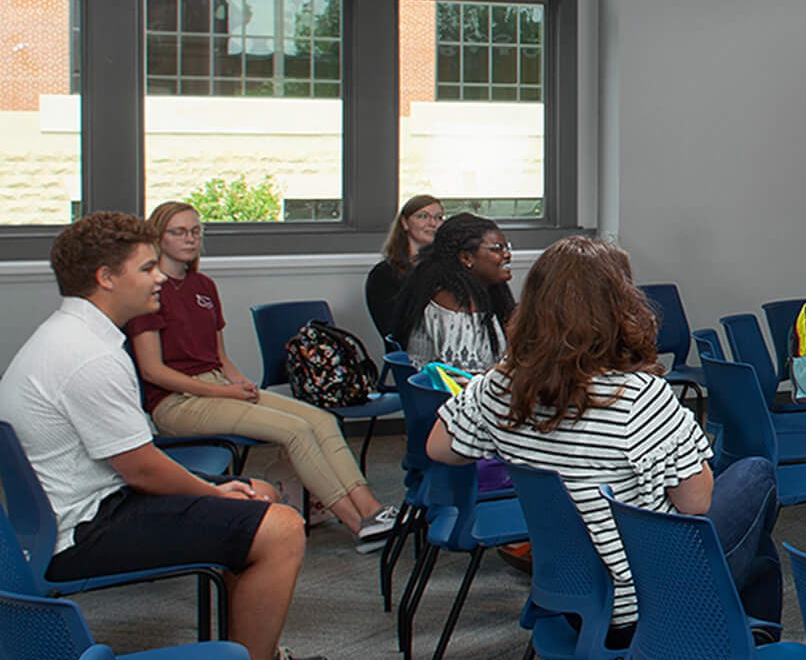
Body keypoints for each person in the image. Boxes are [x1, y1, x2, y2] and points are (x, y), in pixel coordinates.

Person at [0, 213, 337, 660]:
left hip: (82, 509)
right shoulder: (87, 356)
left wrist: (224, 494)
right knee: (280, 525)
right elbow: (140, 467)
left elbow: (134, 463)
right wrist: (216, 492)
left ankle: (248, 652)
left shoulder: (73, 334)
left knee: (260, 495)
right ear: (107, 278)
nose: (160, 277)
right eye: (147, 266)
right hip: (84, 530)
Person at [427, 237, 785, 630]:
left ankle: (725, 647)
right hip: (639, 598)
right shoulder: (638, 396)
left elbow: (440, 448)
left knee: (759, 557)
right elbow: (695, 502)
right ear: (619, 308)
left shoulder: (501, 385)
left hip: (567, 590)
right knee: (755, 475)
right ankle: (722, 654)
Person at [128, 201, 398, 552]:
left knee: (321, 419)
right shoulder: (148, 291)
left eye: (196, 231)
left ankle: (372, 510)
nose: (190, 239)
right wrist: (224, 394)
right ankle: (354, 523)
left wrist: (240, 384)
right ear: (158, 237)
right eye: (179, 232)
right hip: (177, 403)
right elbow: (153, 371)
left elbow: (220, 356)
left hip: (217, 385)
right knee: (295, 430)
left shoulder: (203, 286)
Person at [390, 213, 515, 373]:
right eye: (497, 249)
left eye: (507, 247)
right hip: (446, 396)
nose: (507, 255)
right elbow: (464, 379)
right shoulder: (454, 305)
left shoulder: (475, 294)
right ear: (466, 258)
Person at [367, 193, 443, 344]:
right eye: (423, 216)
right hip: (409, 354)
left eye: (438, 218)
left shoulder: (446, 268)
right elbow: (392, 330)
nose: (432, 223)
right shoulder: (383, 274)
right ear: (405, 223)